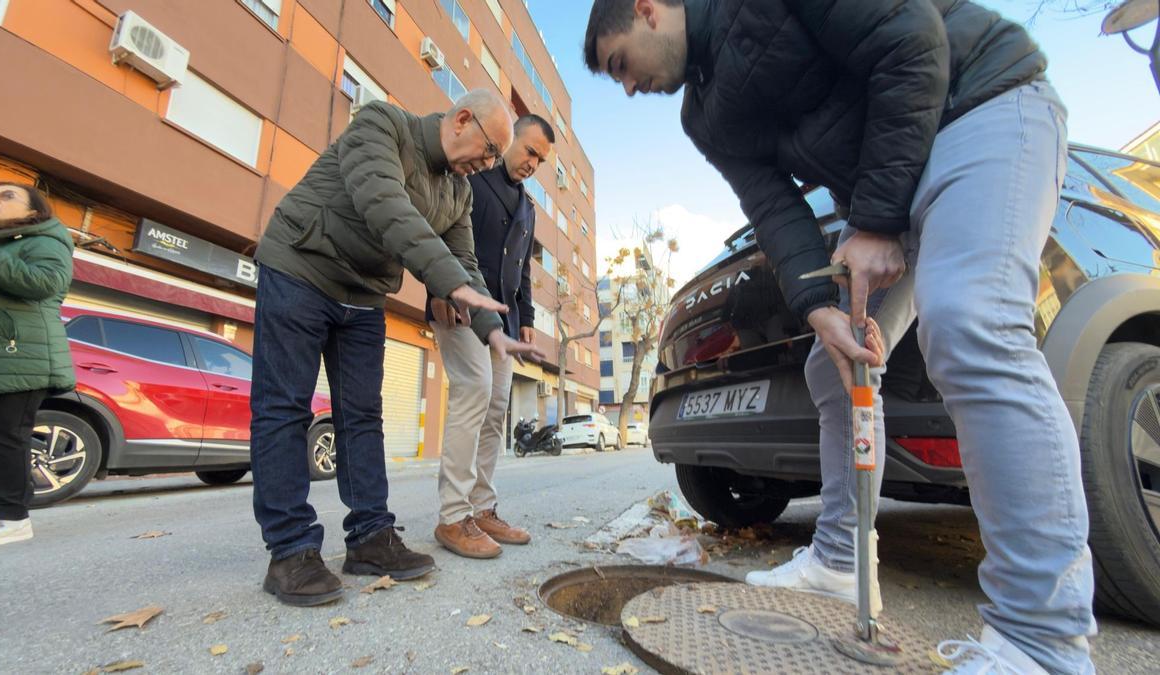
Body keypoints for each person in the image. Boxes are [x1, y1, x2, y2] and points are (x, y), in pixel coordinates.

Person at [583, 1, 1093, 673]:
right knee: (832, 367)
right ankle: (841, 560)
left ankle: (1042, 638)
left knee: (970, 321)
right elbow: (773, 206)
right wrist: (816, 304)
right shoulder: (701, 115)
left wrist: (877, 220)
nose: (626, 87)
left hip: (978, 107)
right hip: (890, 185)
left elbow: (912, 41)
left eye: (620, 64)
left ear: (648, 9)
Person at [250, 89, 543, 607]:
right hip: (300, 263)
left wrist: (491, 330)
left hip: (362, 290)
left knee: (362, 414)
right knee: (284, 408)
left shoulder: (459, 192)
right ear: (461, 120)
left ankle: (370, 537)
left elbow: (465, 264)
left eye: (497, 156)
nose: (490, 162)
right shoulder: (383, 124)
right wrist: (452, 285)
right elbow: (387, 207)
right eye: (491, 148)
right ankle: (291, 549)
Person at [429, 114, 554, 559]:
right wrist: (439, 288)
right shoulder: (473, 176)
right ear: (510, 138)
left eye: (541, 160)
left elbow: (522, 270)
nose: (533, 163)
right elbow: (441, 235)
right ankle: (453, 515)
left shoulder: (528, 208)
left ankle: (482, 508)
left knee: (496, 405)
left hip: (502, 320)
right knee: (474, 390)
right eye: (531, 152)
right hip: (460, 307)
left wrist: (526, 316)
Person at [0, 182, 75, 549]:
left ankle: (10, 517)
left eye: (7, 195)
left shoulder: (45, 241)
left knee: (3, 436)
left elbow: (44, 282)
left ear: (33, 211)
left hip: (17, 353)